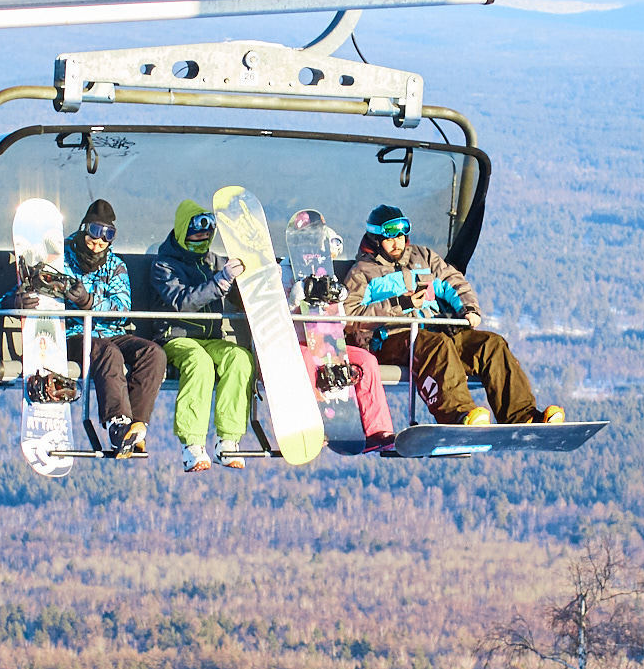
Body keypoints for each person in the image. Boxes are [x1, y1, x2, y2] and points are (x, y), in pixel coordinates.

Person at [341, 203, 563, 427]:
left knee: (491, 344)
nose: (397, 242)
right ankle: (460, 415)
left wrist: (468, 308)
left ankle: (521, 415)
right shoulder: (362, 273)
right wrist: (400, 303)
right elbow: (348, 315)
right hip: (392, 338)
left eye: (401, 235)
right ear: (375, 239)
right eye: (390, 238)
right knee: (436, 345)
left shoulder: (423, 258)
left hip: (433, 332)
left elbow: (451, 281)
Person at [35, 199, 165, 457]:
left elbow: (121, 309)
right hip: (74, 334)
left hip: (111, 331)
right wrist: (20, 300)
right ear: (84, 230)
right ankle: (117, 423)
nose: (97, 244)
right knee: (107, 353)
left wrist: (89, 301)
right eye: (92, 236)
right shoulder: (61, 260)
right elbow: (31, 288)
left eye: (105, 239)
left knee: (153, 353)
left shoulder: (115, 266)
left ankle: (136, 425)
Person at [148, 201, 256, 472]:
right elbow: (183, 302)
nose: (202, 240)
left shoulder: (215, 262)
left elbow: (237, 297)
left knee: (239, 358)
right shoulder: (164, 266)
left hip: (211, 338)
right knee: (199, 363)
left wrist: (254, 279)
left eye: (207, 235)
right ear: (184, 233)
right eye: (196, 235)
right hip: (176, 338)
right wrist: (220, 281)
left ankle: (228, 439)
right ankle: (192, 444)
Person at [283, 228, 396, 455]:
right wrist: (295, 298)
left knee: (365, 361)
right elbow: (270, 314)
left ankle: (377, 430)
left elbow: (340, 323)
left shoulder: (328, 275)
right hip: (295, 344)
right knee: (304, 361)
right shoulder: (284, 273)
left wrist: (334, 300)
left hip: (328, 344)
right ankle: (312, 423)